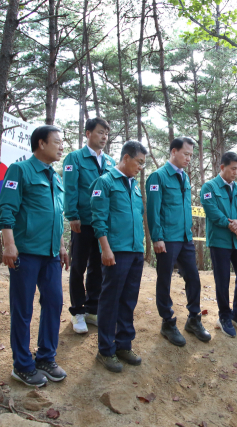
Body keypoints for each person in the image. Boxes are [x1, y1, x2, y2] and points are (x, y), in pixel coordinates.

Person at [0, 125, 70, 387]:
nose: (62, 146)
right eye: (57, 142)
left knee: (54, 303)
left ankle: (46, 358)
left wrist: (61, 246)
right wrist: (8, 244)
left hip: (50, 255)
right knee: (22, 309)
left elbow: (56, 217)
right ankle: (22, 365)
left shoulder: (56, 177)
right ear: (41, 143)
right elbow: (6, 208)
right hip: (25, 253)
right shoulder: (21, 170)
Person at [146, 137, 211, 346]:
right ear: (173, 151)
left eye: (191, 155)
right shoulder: (158, 177)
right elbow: (153, 211)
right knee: (164, 280)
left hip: (185, 238)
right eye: (186, 154)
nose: (189, 159)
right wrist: (157, 238)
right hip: (167, 239)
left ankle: (194, 318)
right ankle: (168, 322)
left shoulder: (184, 177)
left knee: (193, 278)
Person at [90, 140, 148, 373]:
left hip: (135, 251)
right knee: (110, 300)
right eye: (139, 162)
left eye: (143, 163)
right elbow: (98, 218)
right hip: (116, 251)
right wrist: (105, 248)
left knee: (128, 300)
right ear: (125, 158)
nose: (141, 167)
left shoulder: (133, 185)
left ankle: (124, 344)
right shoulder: (104, 182)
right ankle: (105, 350)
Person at [63, 118, 116, 334]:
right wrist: (73, 215)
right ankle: (77, 312)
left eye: (106, 134)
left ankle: (92, 308)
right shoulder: (75, 158)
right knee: (78, 267)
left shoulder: (111, 162)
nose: (104, 137)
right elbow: (70, 188)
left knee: (98, 266)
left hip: (102, 225)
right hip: (82, 222)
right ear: (88, 133)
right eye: (100, 132)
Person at [200, 152, 237, 338]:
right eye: (233, 169)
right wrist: (231, 225)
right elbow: (212, 211)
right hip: (220, 241)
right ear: (222, 167)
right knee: (222, 280)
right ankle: (224, 317)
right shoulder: (209, 187)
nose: (236, 172)